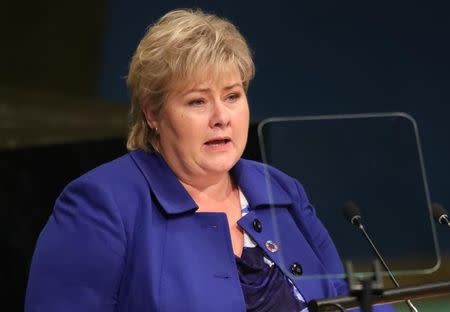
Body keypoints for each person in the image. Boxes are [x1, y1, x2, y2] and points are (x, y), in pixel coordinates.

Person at [25, 9, 394, 312]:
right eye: (198, 101)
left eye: (232, 96)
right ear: (153, 113)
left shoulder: (279, 190)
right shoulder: (101, 205)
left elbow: (344, 299)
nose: (222, 117)